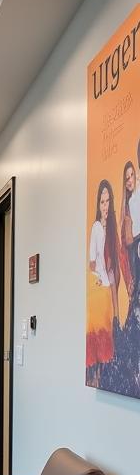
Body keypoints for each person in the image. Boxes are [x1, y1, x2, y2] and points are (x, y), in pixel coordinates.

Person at [88, 179, 119, 375]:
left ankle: (103, 375)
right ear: (98, 205)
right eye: (102, 202)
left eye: (108, 201)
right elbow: (92, 263)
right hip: (99, 292)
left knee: (109, 341)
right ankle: (97, 375)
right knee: (100, 342)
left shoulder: (111, 229)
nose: (105, 206)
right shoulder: (97, 228)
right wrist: (97, 279)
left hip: (109, 290)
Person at [122, 158, 138, 296]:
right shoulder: (128, 202)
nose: (129, 180)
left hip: (137, 242)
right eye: (126, 178)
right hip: (133, 243)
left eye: (131, 175)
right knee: (135, 282)